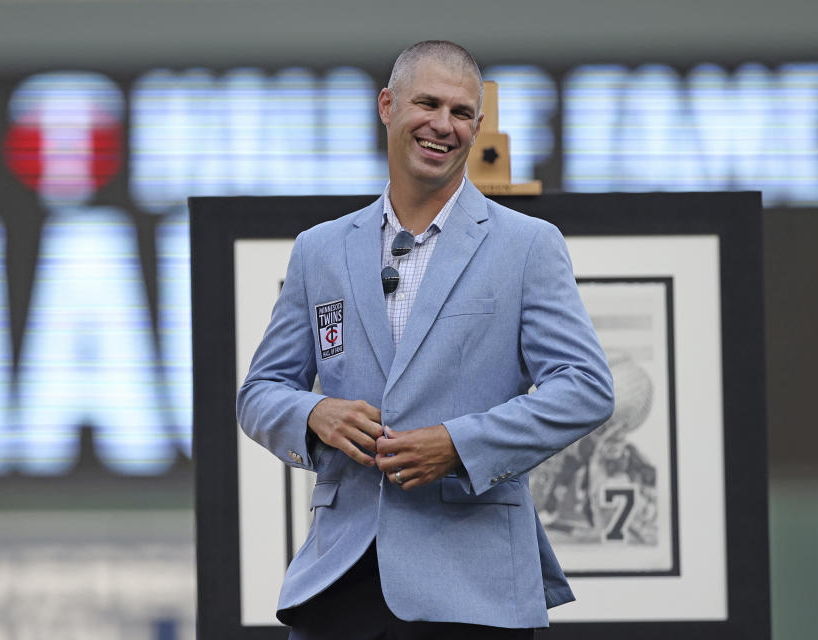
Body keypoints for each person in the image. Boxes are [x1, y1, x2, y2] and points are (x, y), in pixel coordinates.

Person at [237, 40, 614, 640]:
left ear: (478, 127)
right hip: (340, 582)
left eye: (462, 113)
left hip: (476, 585)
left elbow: (586, 388)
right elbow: (259, 392)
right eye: (428, 104)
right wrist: (315, 414)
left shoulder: (527, 245)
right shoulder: (321, 249)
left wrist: (459, 445)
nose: (443, 125)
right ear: (387, 106)